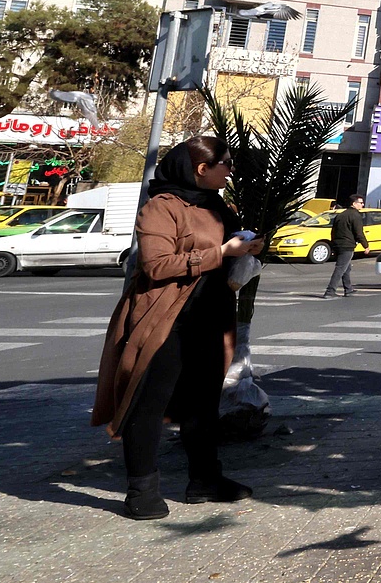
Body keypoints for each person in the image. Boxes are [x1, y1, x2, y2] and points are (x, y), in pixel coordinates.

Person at [93, 136, 263, 520]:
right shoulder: (162, 206)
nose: (230, 169)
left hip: (211, 313)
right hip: (165, 315)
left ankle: (205, 480)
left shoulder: (219, 204)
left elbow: (228, 248)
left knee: (203, 403)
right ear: (201, 169)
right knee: (148, 400)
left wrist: (249, 246)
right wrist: (221, 253)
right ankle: (141, 490)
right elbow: (156, 265)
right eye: (226, 162)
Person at [324, 194, 368, 298]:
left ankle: (348, 289)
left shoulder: (341, 215)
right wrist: (365, 245)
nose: (363, 205)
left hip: (338, 244)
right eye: (361, 203)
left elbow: (333, 231)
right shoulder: (355, 215)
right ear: (354, 204)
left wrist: (333, 243)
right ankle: (330, 291)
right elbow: (359, 233)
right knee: (340, 268)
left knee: (346, 268)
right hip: (347, 245)